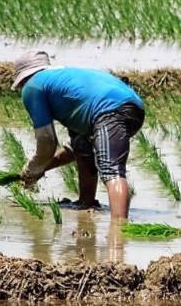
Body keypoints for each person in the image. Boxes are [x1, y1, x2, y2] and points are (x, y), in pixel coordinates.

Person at [12, 50, 145, 221]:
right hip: (134, 107)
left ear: (23, 78)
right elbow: (72, 150)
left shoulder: (33, 85)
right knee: (81, 145)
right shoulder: (65, 82)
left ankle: (119, 230)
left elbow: (47, 142)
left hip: (109, 110)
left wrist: (32, 169)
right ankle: (86, 201)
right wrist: (41, 169)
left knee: (111, 170)